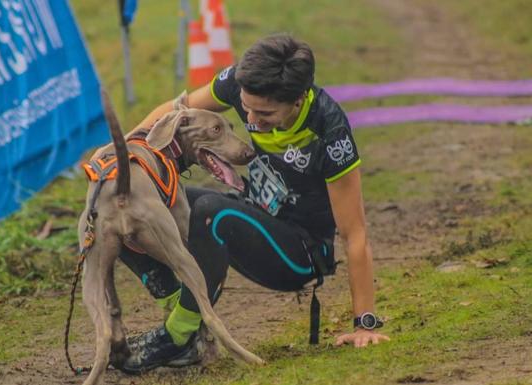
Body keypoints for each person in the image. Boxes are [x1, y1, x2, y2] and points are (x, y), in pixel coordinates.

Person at [116, 33, 390, 374]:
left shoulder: (329, 130)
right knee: (137, 208)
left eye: (265, 113)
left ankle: (176, 335)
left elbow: (355, 234)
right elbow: (174, 112)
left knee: (211, 215)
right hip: (255, 214)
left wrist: (365, 324)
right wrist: (125, 151)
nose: (252, 120)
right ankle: (184, 322)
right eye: (246, 108)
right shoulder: (239, 82)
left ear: (298, 99)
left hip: (300, 253)